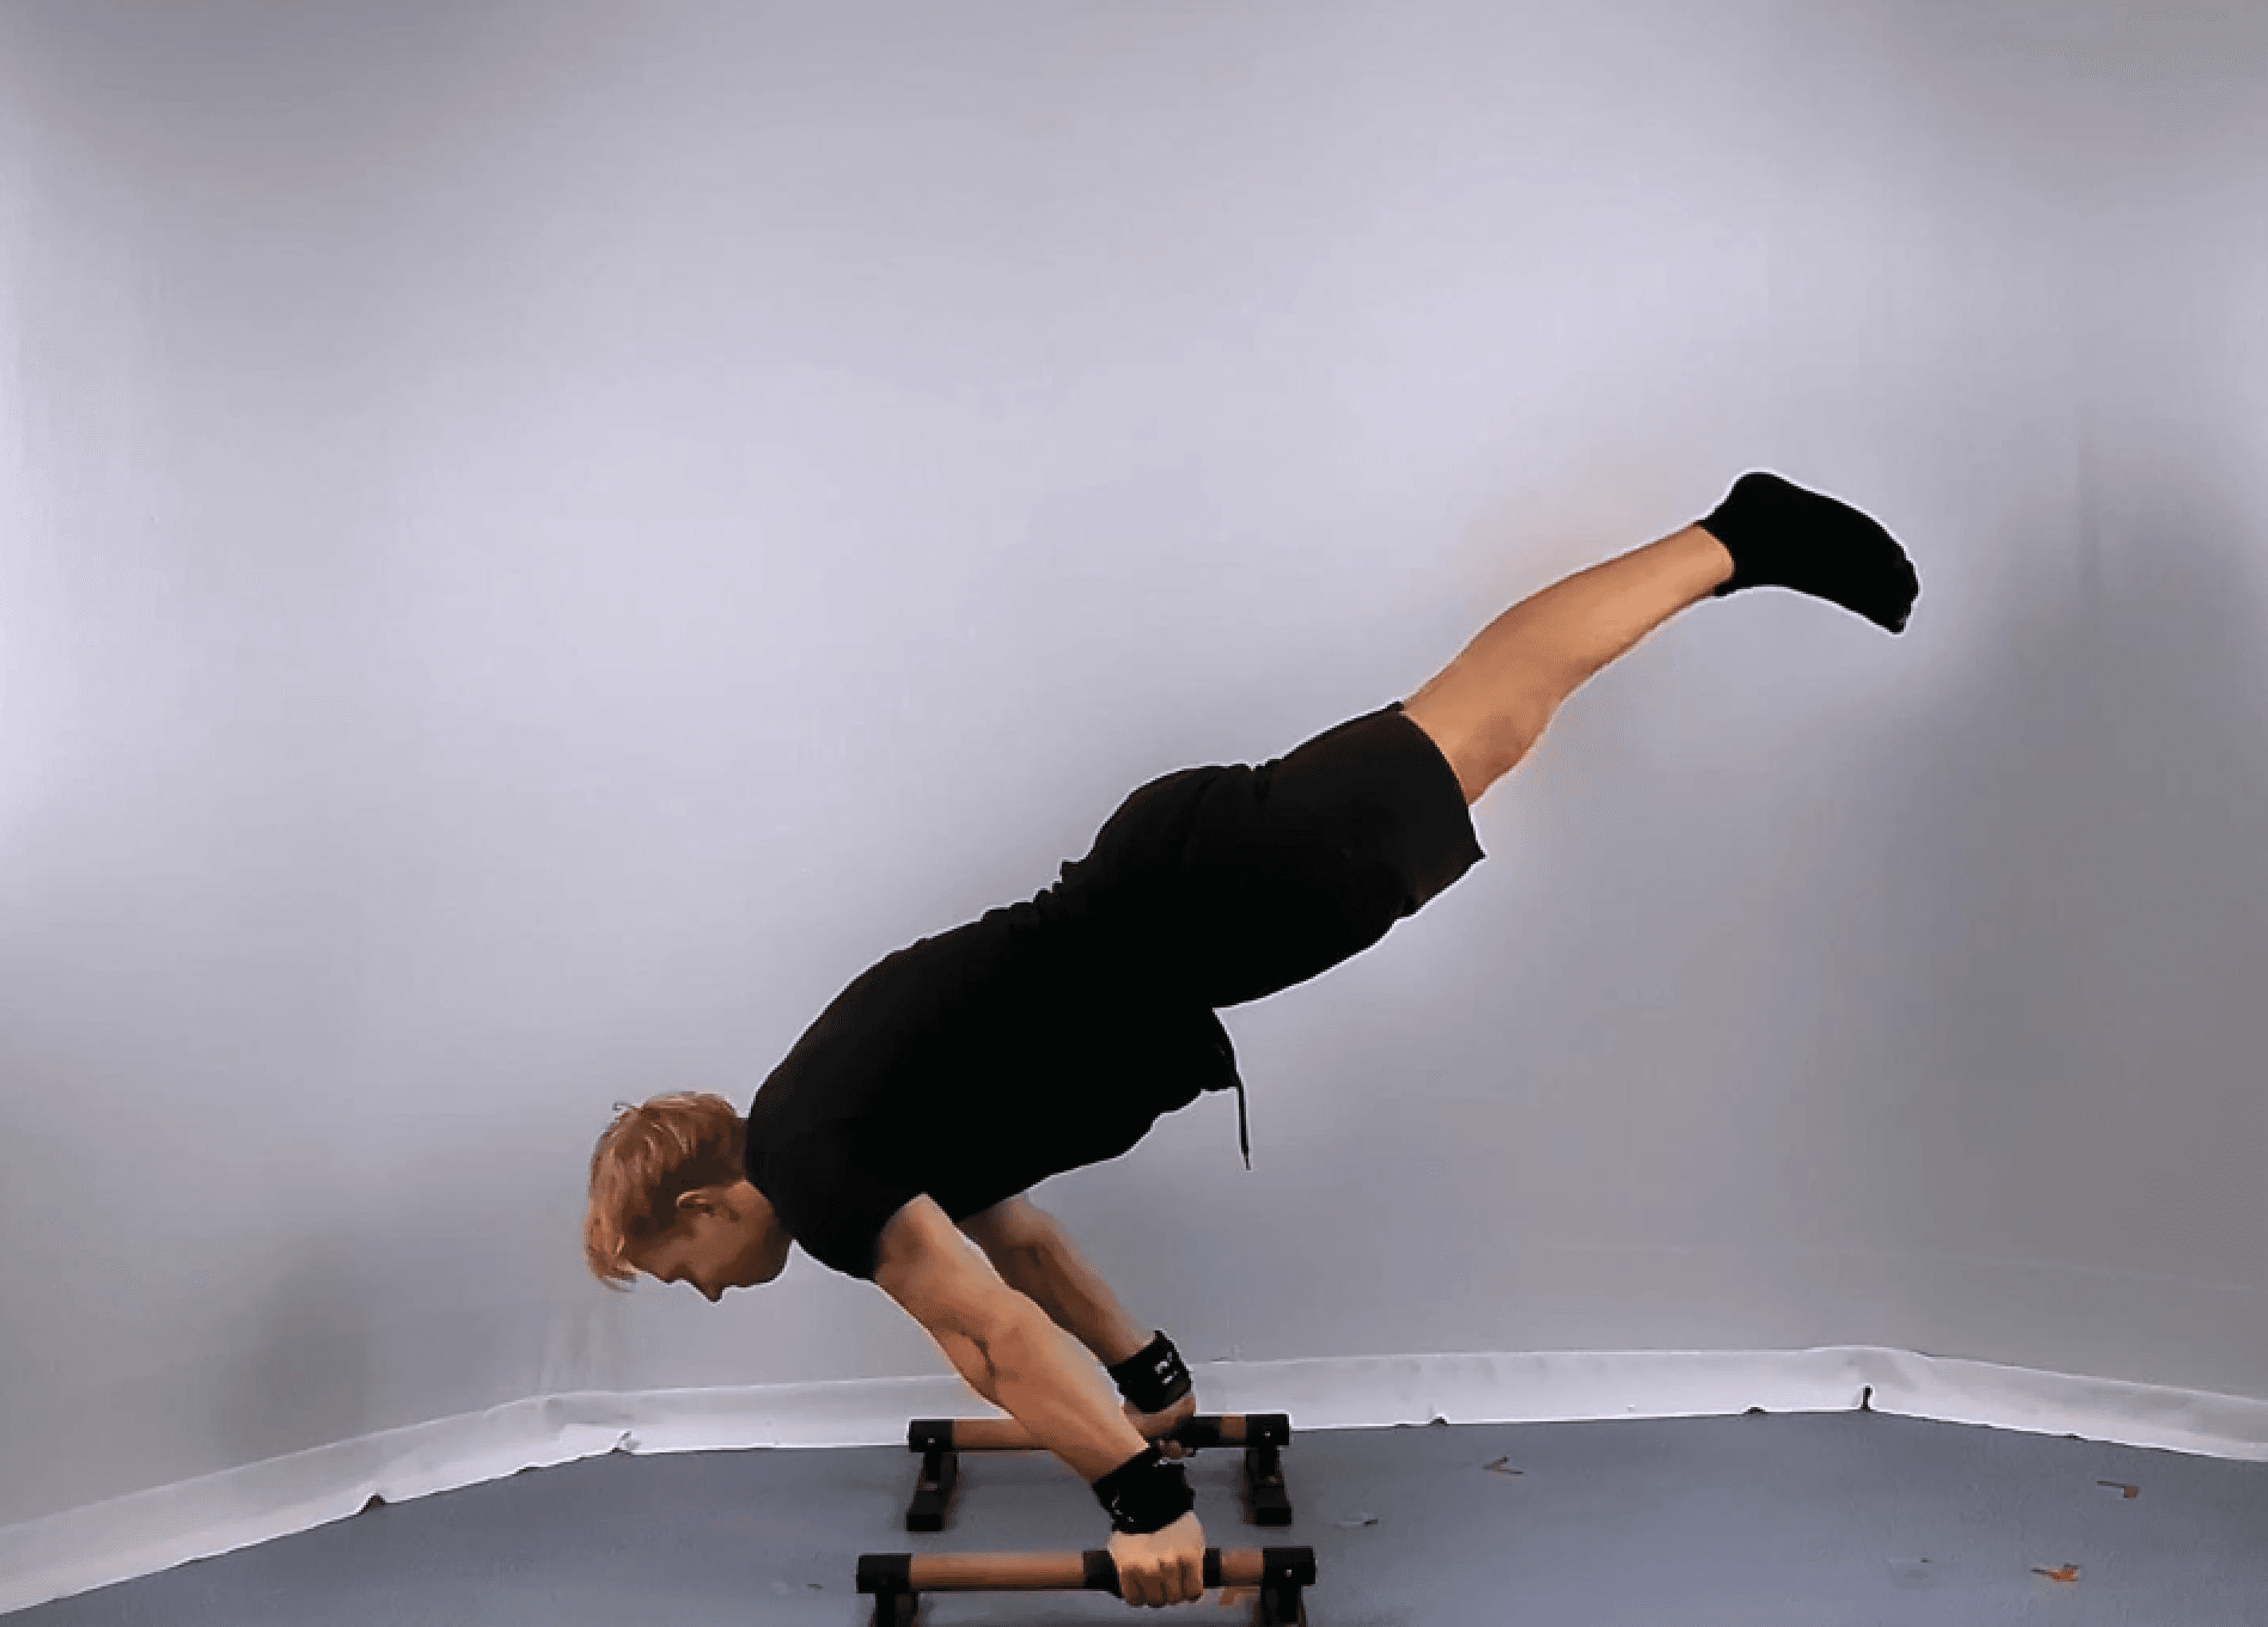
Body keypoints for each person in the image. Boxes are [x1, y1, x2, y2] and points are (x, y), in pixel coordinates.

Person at [580, 470, 1920, 1609]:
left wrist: (1140, 1492)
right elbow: (1023, 1245)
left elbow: (984, 1337)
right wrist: (1142, 1377)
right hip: (1180, 891)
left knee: (1485, 718)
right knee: (1486, 727)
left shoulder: (818, 1179)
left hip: (1192, 907)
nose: (699, 1289)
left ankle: (1739, 536)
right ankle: (1735, 544)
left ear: (705, 1200)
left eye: (678, 1263)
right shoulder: (841, 1125)